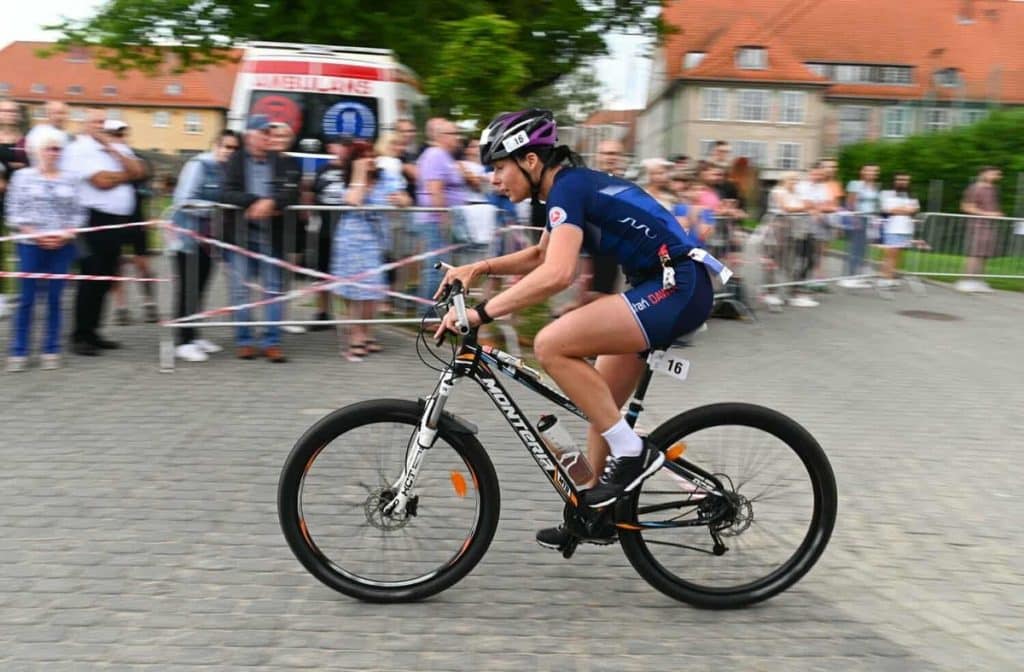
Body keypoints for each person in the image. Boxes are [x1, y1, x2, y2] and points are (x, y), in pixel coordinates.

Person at [433, 110, 722, 550]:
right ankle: (595, 515)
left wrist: (479, 315)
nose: (493, 180)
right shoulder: (567, 189)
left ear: (531, 162)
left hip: (676, 286)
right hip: (660, 286)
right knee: (600, 410)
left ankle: (633, 455)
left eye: (498, 167)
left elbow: (557, 274)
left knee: (551, 344)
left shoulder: (568, 188)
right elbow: (541, 256)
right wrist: (480, 268)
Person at [61, 107, 147, 356]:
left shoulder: (116, 146)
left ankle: (94, 331)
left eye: (104, 122)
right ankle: (80, 335)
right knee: (92, 275)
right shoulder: (79, 150)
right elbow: (100, 181)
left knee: (108, 276)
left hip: (118, 221)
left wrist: (112, 150)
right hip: (93, 219)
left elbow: (139, 172)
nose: (101, 126)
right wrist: (125, 174)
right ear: (86, 124)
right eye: (96, 122)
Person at [221, 114, 301, 363]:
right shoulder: (235, 160)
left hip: (272, 236)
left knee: (273, 290)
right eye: (263, 132)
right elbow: (226, 192)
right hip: (240, 236)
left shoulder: (283, 162)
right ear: (249, 136)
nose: (268, 137)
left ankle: (271, 342)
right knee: (239, 291)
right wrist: (253, 202)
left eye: (269, 133)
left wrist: (271, 202)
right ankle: (244, 340)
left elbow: (291, 192)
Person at [4, 126, 85, 371]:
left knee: (55, 299)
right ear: (36, 150)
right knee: (26, 299)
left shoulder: (71, 178)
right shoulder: (22, 177)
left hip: (62, 246)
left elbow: (80, 213)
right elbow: (12, 212)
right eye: (49, 148)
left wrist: (66, 234)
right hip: (30, 245)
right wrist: (35, 235)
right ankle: (19, 351)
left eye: (58, 149)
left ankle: (51, 349)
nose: (54, 153)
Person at [332, 141, 411, 361]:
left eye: (372, 154)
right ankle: (355, 335)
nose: (370, 159)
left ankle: (366, 332)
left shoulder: (385, 178)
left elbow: (406, 199)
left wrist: (400, 200)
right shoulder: (348, 181)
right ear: (354, 160)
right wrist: (358, 174)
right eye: (364, 155)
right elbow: (353, 200)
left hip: (375, 241)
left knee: (372, 291)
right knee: (352, 290)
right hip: (350, 240)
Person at [169, 129, 239, 362]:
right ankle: (182, 341)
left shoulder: (224, 171)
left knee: (200, 288)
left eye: (235, 148)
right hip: (188, 238)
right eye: (227, 146)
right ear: (216, 145)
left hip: (209, 239)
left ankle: (194, 334)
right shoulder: (199, 165)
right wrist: (216, 209)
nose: (230, 152)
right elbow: (183, 201)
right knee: (188, 289)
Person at [105, 120, 158, 326]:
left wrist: (151, 215)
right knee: (115, 265)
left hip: (136, 217)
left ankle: (149, 303)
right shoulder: (101, 160)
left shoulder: (136, 158)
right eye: (114, 135)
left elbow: (148, 186)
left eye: (122, 135)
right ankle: (121, 308)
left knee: (142, 264)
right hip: (112, 219)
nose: (119, 139)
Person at [416, 118, 467, 298]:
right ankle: (427, 315)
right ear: (441, 136)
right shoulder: (435, 155)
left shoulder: (446, 156)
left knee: (442, 267)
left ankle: (437, 310)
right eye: (454, 134)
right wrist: (444, 219)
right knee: (436, 267)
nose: (457, 138)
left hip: (442, 220)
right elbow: (434, 190)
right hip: (435, 221)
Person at [309, 135, 353, 327]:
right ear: (331, 147)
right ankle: (322, 312)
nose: (344, 149)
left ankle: (350, 316)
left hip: (347, 230)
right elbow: (312, 193)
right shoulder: (322, 170)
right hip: (325, 228)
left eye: (348, 146)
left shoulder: (352, 170)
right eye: (341, 145)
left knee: (348, 274)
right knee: (322, 272)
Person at [0, 99, 28, 321]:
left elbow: (30, 167)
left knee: (22, 249)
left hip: (21, 201)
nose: (8, 113)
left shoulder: (25, 140)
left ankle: (21, 294)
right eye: (3, 110)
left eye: (12, 110)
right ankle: (1, 299)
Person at [958, 166, 1003, 293]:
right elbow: (967, 207)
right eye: (994, 174)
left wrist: (995, 214)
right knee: (974, 254)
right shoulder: (975, 188)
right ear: (983, 173)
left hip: (990, 226)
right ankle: (966, 281)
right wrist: (989, 214)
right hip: (977, 225)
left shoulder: (993, 189)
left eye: (997, 174)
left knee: (984, 254)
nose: (997, 177)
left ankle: (978, 281)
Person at [878, 172, 920, 293]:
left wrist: (901, 210)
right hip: (892, 228)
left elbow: (914, 210)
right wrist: (905, 210)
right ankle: (886, 278)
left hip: (906, 229)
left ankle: (891, 276)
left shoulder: (912, 196)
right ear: (895, 181)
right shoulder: (888, 194)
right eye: (900, 179)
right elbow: (889, 209)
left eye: (905, 179)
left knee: (898, 255)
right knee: (890, 254)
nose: (902, 182)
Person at [841, 164, 881, 289]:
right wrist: (854, 218)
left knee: (865, 248)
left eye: (874, 171)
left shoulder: (875, 186)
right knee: (855, 247)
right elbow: (850, 203)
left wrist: (876, 217)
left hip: (870, 219)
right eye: (868, 170)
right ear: (862, 172)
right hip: (858, 218)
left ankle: (859, 275)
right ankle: (849, 276)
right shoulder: (855, 184)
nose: (871, 173)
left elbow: (876, 204)